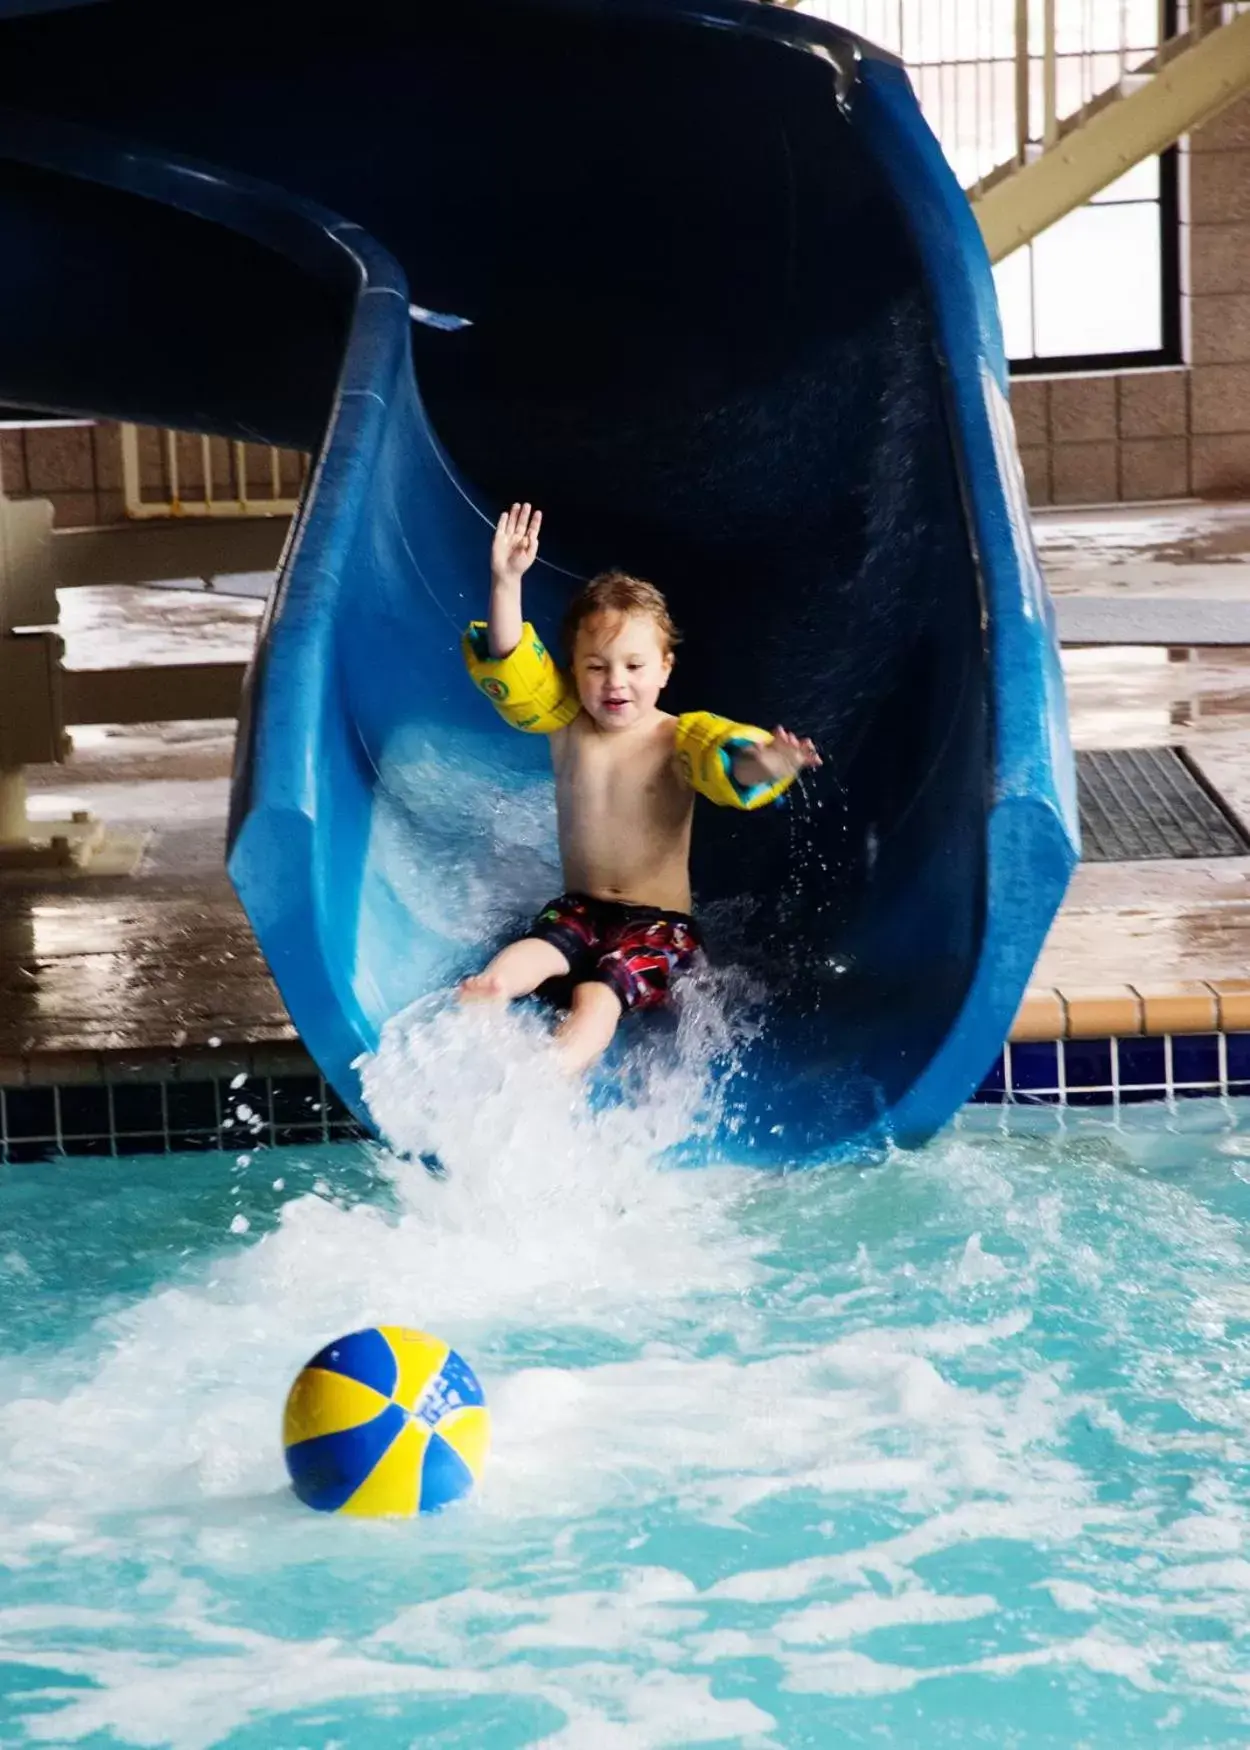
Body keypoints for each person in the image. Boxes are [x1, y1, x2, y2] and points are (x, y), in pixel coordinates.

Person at [458, 502, 821, 1071]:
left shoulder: (679, 741)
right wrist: (507, 582)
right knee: (535, 951)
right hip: (581, 908)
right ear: (573, 670)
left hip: (660, 926)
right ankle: (490, 993)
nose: (615, 682)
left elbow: (732, 771)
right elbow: (511, 665)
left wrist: (773, 763)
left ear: (665, 668)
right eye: (596, 667)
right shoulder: (565, 723)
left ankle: (554, 1070)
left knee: (594, 994)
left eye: (633, 666)